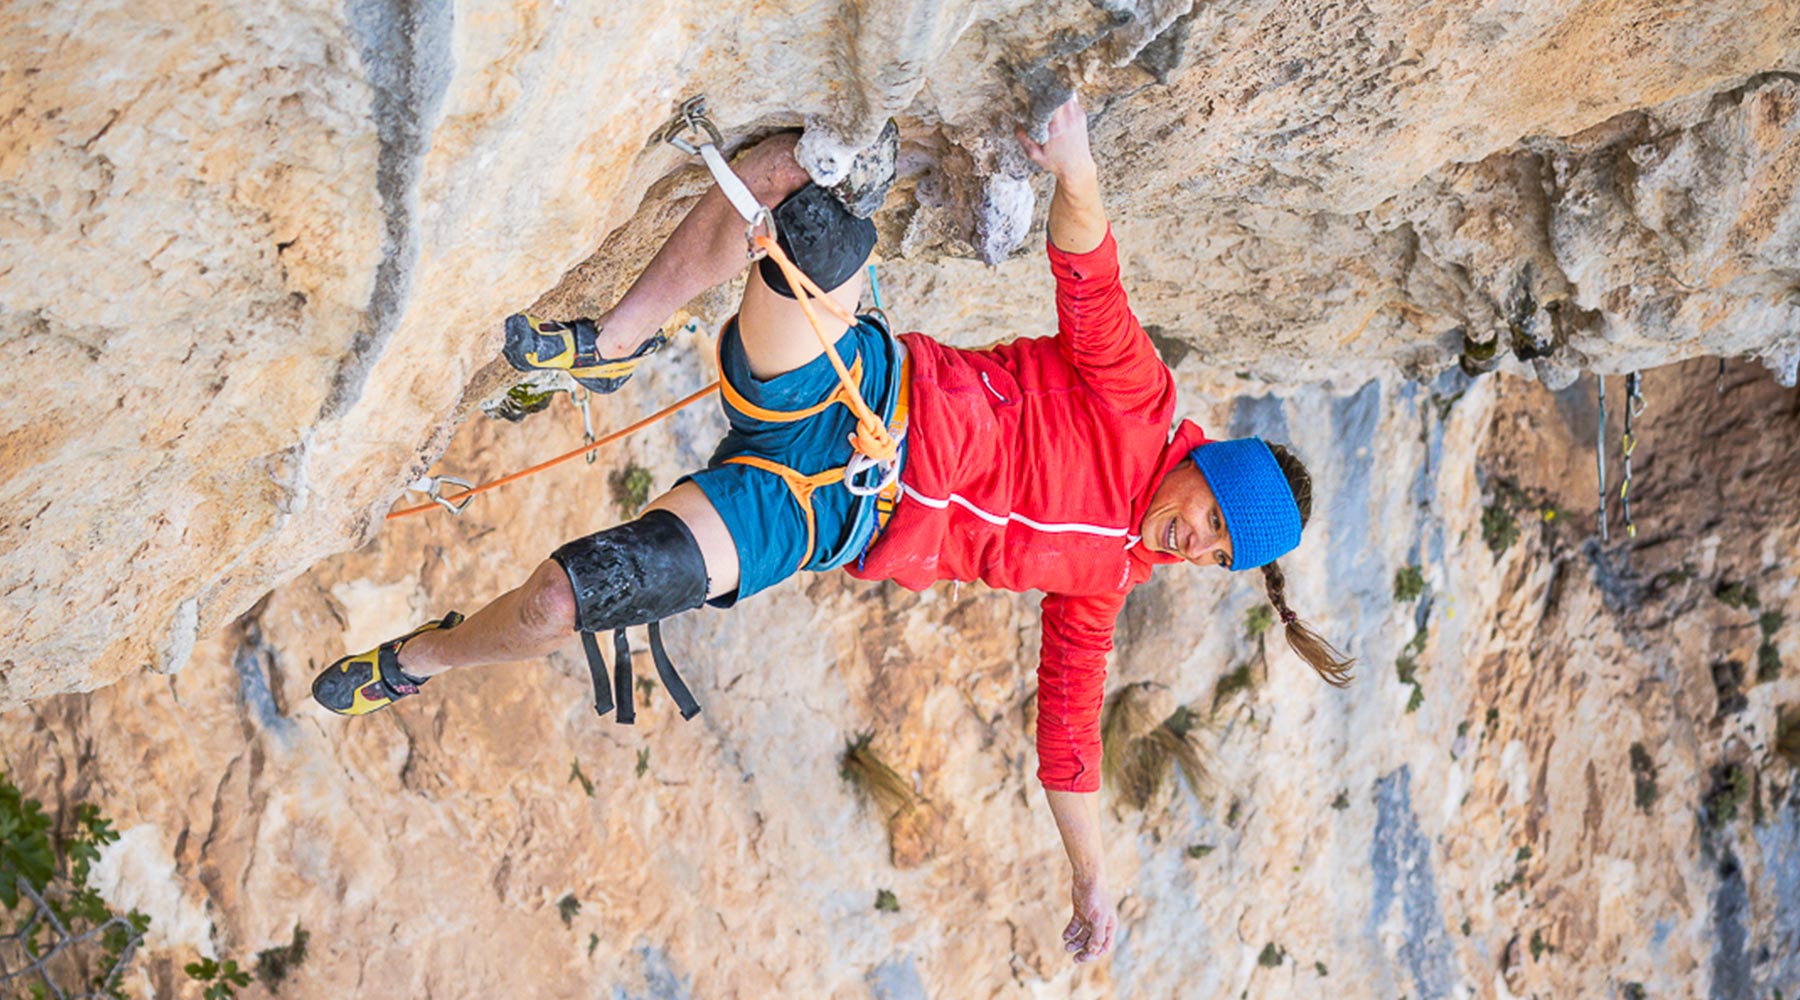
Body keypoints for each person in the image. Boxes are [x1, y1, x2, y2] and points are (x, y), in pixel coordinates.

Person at [311, 96, 1352, 964]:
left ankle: (419, 659)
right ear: (1208, 467)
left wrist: (1092, 882)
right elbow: (1091, 281)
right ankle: (617, 340)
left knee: (569, 596)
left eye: (1219, 557)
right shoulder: (1138, 401)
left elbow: (1070, 742)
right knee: (805, 205)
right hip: (852, 387)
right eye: (1214, 522)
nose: (1197, 548)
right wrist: (1074, 168)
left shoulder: (1103, 584)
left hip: (821, 514)